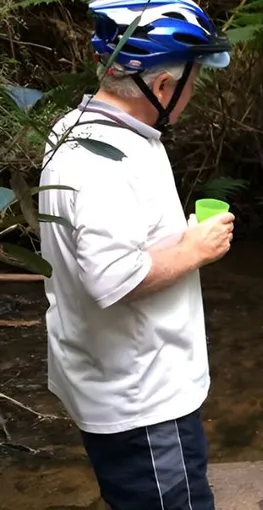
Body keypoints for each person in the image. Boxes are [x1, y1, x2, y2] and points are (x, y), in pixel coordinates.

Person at [37, 1, 234, 508]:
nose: (192, 94)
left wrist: (179, 240)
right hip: (143, 402)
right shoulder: (107, 161)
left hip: (112, 379)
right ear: (162, 87)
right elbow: (112, 278)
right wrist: (195, 250)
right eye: (191, 82)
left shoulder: (76, 129)